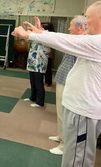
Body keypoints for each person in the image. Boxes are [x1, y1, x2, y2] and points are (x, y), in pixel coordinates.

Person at [11, 1, 101, 167]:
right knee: (71, 157)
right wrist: (42, 32)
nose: (85, 21)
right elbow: (67, 38)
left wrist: (28, 35)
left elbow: (66, 41)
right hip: (77, 108)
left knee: (77, 160)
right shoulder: (92, 40)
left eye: (88, 17)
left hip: (83, 111)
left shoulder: (98, 43)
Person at [48, 15, 86, 156]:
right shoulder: (75, 40)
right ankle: (61, 136)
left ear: (80, 27)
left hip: (69, 83)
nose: (69, 28)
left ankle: (65, 145)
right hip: (62, 79)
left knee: (66, 114)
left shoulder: (82, 42)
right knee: (60, 112)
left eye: (71, 26)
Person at [23, 18, 52, 108]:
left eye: (41, 28)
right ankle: (33, 97)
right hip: (32, 62)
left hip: (40, 63)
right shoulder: (36, 36)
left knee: (39, 83)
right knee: (33, 82)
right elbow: (27, 39)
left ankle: (40, 102)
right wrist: (29, 31)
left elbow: (41, 38)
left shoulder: (48, 37)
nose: (39, 29)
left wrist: (36, 30)